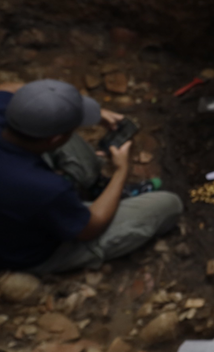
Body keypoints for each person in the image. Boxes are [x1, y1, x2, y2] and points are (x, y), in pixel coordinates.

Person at [0, 80, 183, 274]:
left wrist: (83, 111)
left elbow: (13, 87)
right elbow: (90, 229)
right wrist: (121, 171)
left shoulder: (7, 109)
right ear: (54, 139)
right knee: (169, 205)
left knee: (53, 138)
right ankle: (99, 195)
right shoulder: (46, 188)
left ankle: (96, 189)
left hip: (14, 194)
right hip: (25, 251)